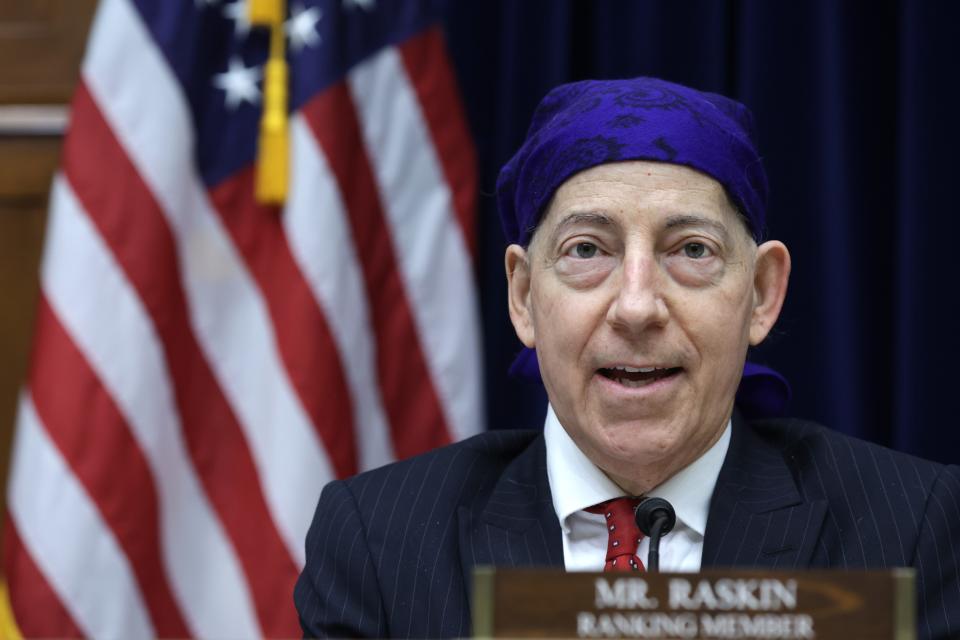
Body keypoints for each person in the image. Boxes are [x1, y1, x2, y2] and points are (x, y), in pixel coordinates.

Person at [293, 77, 960, 639]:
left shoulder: (912, 529)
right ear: (523, 296)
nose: (637, 306)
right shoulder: (378, 541)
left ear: (761, 293)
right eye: (588, 250)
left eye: (691, 251)